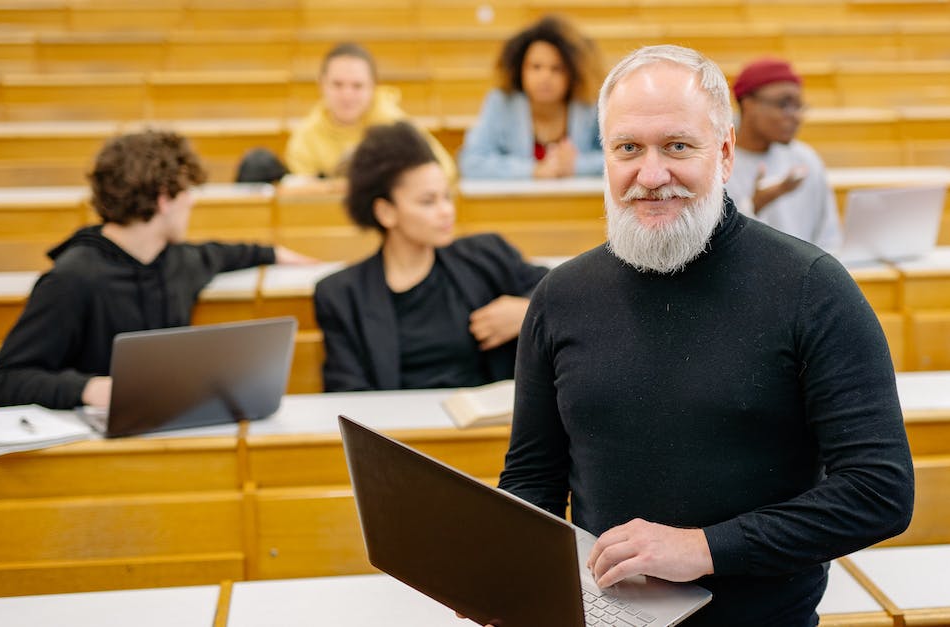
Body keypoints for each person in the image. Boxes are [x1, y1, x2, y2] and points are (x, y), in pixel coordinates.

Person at [497, 45, 914, 626]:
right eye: (628, 149)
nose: (650, 175)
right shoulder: (560, 297)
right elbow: (532, 478)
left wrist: (703, 548)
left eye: (677, 146)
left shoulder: (813, 288)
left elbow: (879, 493)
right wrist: (507, 581)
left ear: (724, 153)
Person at [0, 130, 317, 410]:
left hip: (165, 422)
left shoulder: (177, 260)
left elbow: (225, 253)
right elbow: (3, 380)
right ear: (164, 199)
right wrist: (89, 388)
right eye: (187, 191)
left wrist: (275, 252)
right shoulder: (72, 280)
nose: (193, 201)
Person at [313, 121, 548, 392]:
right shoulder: (342, 295)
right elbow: (347, 393)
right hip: (395, 430)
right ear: (385, 212)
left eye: (446, 197)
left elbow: (562, 294)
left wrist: (526, 313)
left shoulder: (485, 255)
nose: (446, 211)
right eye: (428, 201)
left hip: (487, 430)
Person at [284, 42, 455, 182]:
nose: (347, 95)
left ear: (373, 87)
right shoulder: (305, 135)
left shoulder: (394, 124)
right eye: (337, 84)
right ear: (322, 84)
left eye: (357, 86)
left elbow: (443, 169)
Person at [457, 15, 603, 179]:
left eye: (556, 69)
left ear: (573, 74)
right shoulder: (500, 102)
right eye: (536, 67)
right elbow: (471, 162)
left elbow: (617, 158)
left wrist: (576, 166)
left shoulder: (589, 105)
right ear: (520, 70)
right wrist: (533, 170)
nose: (545, 76)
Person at [724, 58, 842, 252]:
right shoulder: (718, 161)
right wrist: (755, 205)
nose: (795, 116)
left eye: (799, 106)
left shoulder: (806, 159)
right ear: (748, 105)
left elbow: (829, 237)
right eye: (784, 104)